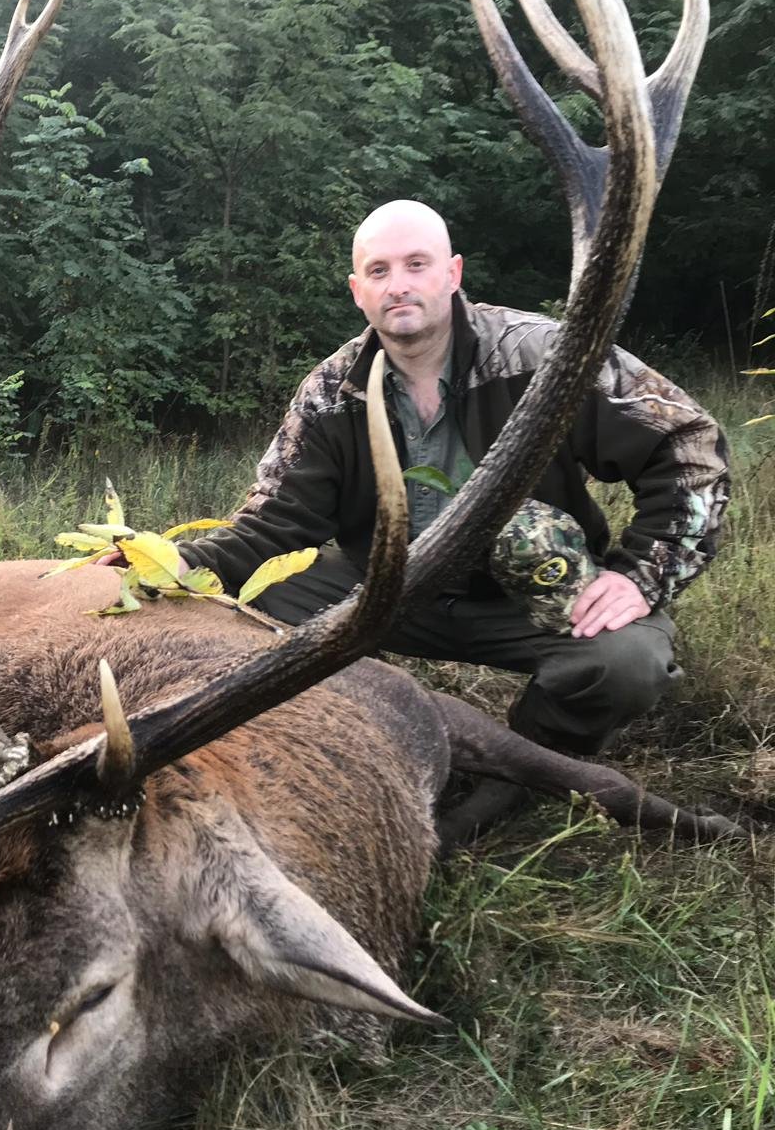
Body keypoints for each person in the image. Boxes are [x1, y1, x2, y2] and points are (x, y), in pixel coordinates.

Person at [174, 199, 731, 834]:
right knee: (239, 609)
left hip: (526, 591)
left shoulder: (543, 355)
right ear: (358, 291)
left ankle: (522, 771)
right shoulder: (331, 392)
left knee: (627, 662)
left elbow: (688, 445)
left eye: (417, 264)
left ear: (453, 272)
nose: (399, 284)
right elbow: (274, 523)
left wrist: (639, 575)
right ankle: (338, 743)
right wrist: (167, 566)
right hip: (381, 587)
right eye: (379, 271)